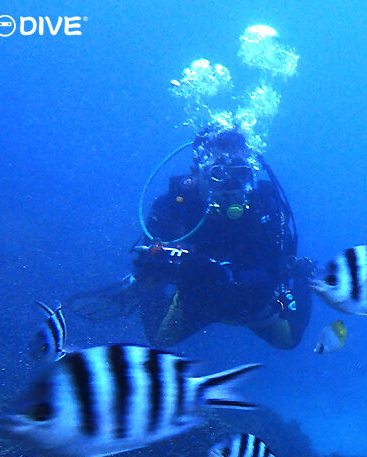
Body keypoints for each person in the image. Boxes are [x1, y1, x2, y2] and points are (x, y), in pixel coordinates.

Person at [126, 123, 312, 349]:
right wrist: (157, 268)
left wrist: (222, 275)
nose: (231, 185)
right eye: (219, 173)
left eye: (241, 173)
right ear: (196, 173)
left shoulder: (265, 206)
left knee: (289, 340)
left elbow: (273, 273)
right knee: (159, 338)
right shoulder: (174, 207)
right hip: (196, 300)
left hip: (252, 304)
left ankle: (305, 275)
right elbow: (149, 260)